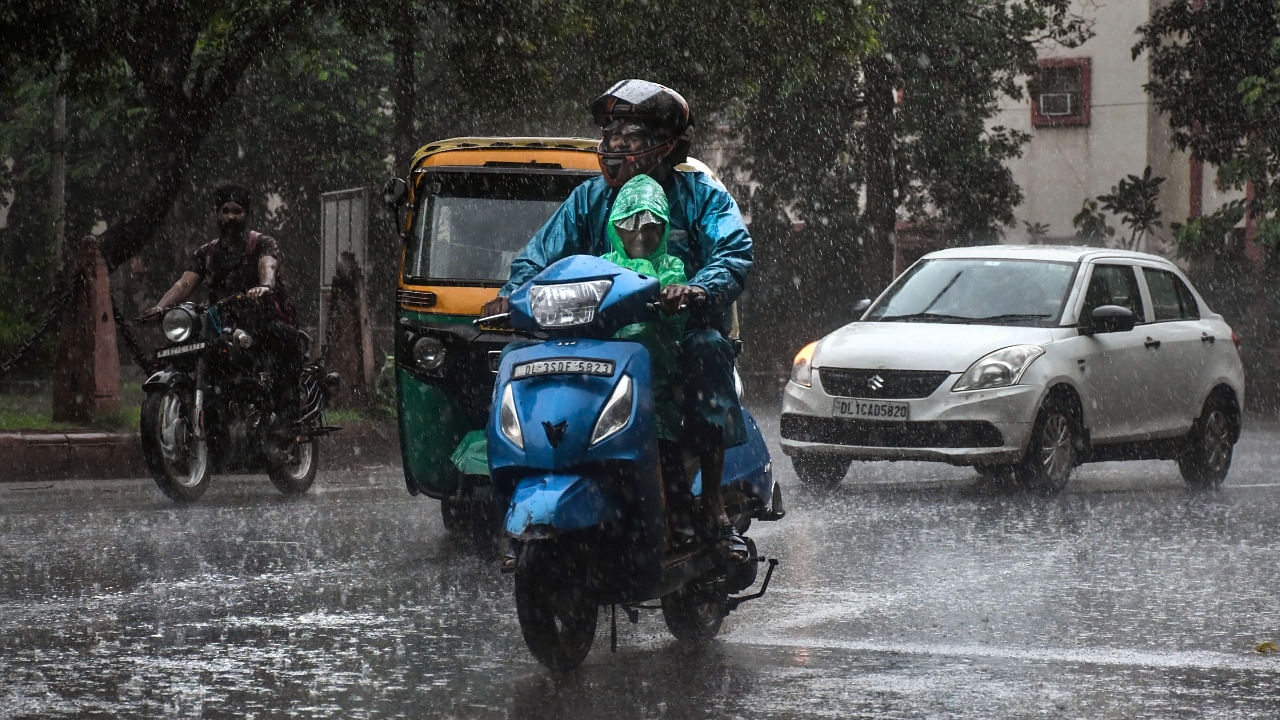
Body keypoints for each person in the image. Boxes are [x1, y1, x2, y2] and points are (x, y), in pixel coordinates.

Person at [482, 79, 753, 561]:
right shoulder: (587, 200)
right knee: (517, 358)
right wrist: (511, 295)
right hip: (598, 340)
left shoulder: (700, 195)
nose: (614, 147)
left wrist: (696, 288)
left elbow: (732, 252)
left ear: (665, 146)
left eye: (629, 135)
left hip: (680, 334)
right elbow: (537, 258)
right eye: (611, 134)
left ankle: (709, 501)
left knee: (707, 350)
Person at [147, 183, 303, 434]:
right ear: (218, 214)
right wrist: (160, 307)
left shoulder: (262, 243)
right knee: (185, 350)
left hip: (260, 318)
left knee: (285, 341)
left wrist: (263, 286)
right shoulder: (206, 252)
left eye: (237, 211)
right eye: (226, 210)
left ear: (246, 215)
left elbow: (268, 267)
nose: (231, 216)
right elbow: (185, 283)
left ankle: (286, 420)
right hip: (221, 323)